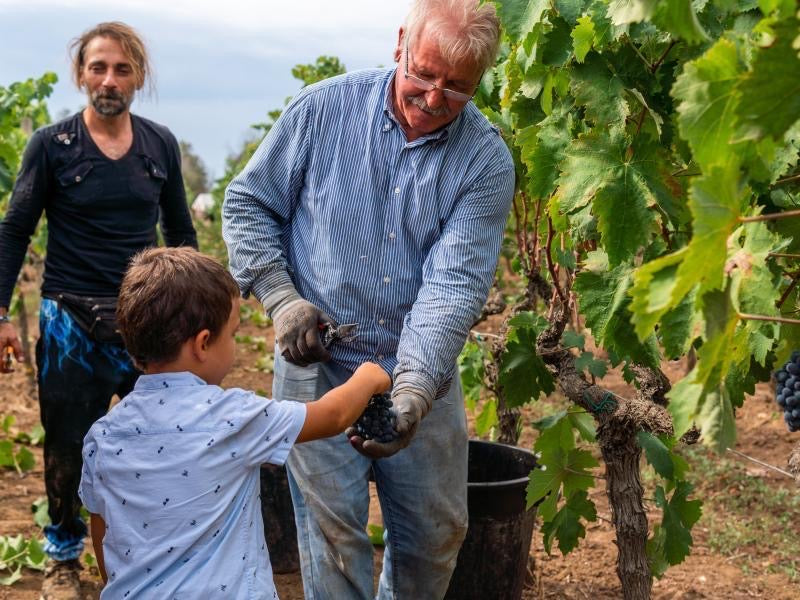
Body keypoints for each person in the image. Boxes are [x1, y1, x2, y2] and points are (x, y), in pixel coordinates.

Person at [222, 0, 514, 597]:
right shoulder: (322, 110)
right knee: (332, 541)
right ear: (400, 43)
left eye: (457, 88)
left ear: (482, 80)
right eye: (423, 74)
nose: (433, 98)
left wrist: (413, 391)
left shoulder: (484, 161)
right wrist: (282, 299)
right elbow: (248, 204)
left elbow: (453, 287)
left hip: (418, 372)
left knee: (434, 538)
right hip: (318, 367)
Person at [0, 22, 197, 599]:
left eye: (122, 69)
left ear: (138, 76)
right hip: (69, 323)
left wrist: (196, 314)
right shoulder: (52, 145)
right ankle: (63, 559)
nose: (109, 80)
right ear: (81, 74)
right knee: (67, 446)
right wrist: (0, 316)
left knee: (158, 444)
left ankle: (148, 557)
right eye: (98, 67)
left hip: (147, 323)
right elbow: (14, 231)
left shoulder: (159, 145)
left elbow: (181, 234)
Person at [78, 246, 390, 598]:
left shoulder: (103, 436)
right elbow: (333, 415)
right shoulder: (232, 418)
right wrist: (371, 375)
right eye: (232, 334)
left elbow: (103, 535)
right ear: (203, 344)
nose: (234, 346)